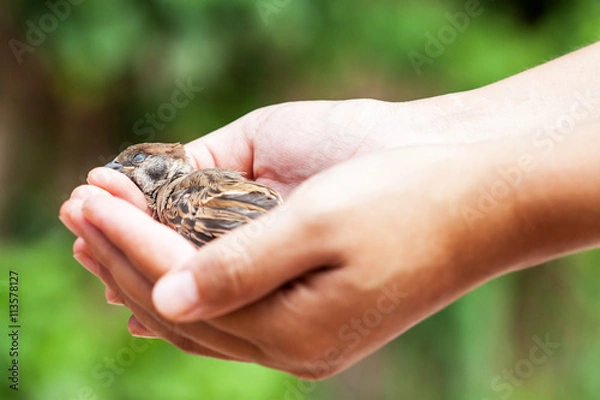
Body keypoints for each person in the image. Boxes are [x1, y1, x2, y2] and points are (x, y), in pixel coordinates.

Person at [59, 41, 600, 379]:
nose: (126, 173)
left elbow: (244, 216)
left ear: (164, 173)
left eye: (136, 167)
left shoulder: (181, 197)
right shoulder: (190, 189)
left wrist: (456, 224)